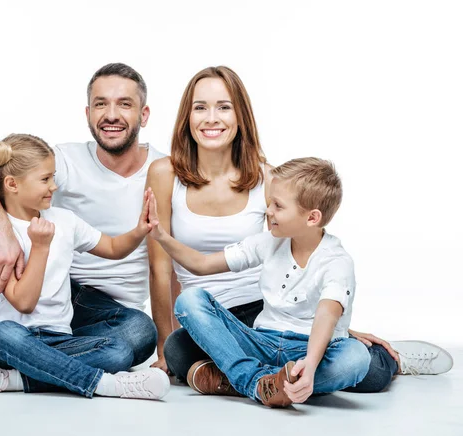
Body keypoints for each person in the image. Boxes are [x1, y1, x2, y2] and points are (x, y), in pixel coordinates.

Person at [146, 66, 453, 394]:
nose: (211, 118)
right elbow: (160, 267)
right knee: (179, 349)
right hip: (211, 319)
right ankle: (267, 382)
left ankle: (257, 379)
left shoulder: (266, 177)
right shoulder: (164, 173)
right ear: (186, 116)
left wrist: (340, 329)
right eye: (200, 107)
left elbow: (295, 253)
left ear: (240, 116)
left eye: (224, 106)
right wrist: (163, 345)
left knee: (366, 371)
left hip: (264, 311)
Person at [0, 63, 170, 388]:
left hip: (108, 314)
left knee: (139, 333)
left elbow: (162, 266)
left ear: (143, 115)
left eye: (124, 104)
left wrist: (164, 348)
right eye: (101, 103)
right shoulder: (64, 160)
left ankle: (14, 370)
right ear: (88, 113)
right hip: (51, 285)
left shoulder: (162, 171)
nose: (111, 114)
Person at [149, 157, 378, 407]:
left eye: (278, 206)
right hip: (261, 342)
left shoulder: (336, 260)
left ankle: (248, 382)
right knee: (186, 310)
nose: (268, 212)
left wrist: (310, 366)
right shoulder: (268, 241)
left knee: (355, 359)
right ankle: (259, 383)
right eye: (270, 203)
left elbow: (326, 315)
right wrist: (161, 236)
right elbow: (202, 265)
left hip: (308, 350)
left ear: (312, 218)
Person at [0, 134, 169, 399]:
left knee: (120, 352)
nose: (54, 187)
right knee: (0, 334)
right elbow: (24, 303)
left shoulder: (65, 220)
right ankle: (104, 384)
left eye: (53, 177)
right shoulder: (1, 239)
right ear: (12, 184)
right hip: (15, 339)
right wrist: (41, 247)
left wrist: (140, 230)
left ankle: (16, 380)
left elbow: (113, 248)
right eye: (45, 179)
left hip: (61, 339)